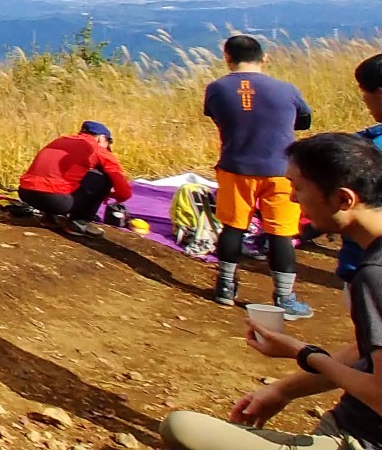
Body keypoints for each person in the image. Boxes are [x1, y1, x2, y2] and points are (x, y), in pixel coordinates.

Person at [159, 133, 382, 450]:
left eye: (299, 188)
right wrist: (283, 389)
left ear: (344, 199)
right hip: (352, 424)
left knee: (179, 427)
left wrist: (303, 353)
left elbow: (379, 396)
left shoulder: (375, 274)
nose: (292, 199)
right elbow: (364, 351)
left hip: (362, 440)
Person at [204, 34, 314, 318]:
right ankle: (284, 298)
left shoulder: (217, 88)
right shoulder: (285, 89)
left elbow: (216, 116)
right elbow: (304, 120)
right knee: (281, 233)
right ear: (264, 58)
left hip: (235, 167)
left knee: (233, 227)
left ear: (227, 58)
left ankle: (225, 288)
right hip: (280, 171)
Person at [15, 120, 134, 237]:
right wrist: (111, 195)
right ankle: (79, 222)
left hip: (25, 193)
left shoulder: (60, 141)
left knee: (58, 177)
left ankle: (49, 218)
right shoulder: (97, 149)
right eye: (109, 142)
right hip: (56, 201)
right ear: (102, 138)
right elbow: (124, 192)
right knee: (103, 177)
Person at [334, 54, 382, 285]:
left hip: (366, 266)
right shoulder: (369, 140)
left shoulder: (369, 150)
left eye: (364, 91)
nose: (363, 98)